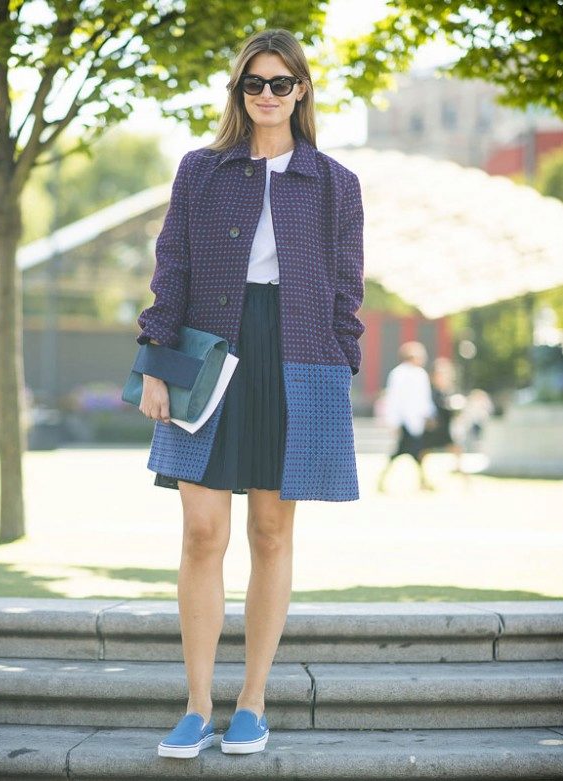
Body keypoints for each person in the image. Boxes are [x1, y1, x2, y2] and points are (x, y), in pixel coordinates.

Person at [134, 29, 365, 759]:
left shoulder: (335, 183)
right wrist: (155, 363)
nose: (266, 94)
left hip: (297, 356)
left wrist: (341, 364)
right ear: (238, 91)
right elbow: (172, 266)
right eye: (253, 83)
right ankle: (196, 706)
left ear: (301, 90)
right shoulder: (199, 171)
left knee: (271, 532)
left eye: (279, 82)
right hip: (207, 351)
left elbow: (346, 288)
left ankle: (252, 703)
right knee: (202, 532)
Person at [376, 341, 437, 492]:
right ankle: (422, 481)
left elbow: (424, 399)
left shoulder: (420, 374)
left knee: (414, 452)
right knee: (408, 452)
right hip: (405, 422)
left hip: (417, 422)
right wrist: (393, 422)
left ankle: (421, 481)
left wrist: (429, 415)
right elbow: (394, 399)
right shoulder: (399, 374)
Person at [419, 357, 464, 474]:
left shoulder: (449, 391)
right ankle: (422, 476)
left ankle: (460, 471)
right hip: (434, 426)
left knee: (455, 448)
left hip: (446, 425)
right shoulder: (429, 391)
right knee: (423, 451)